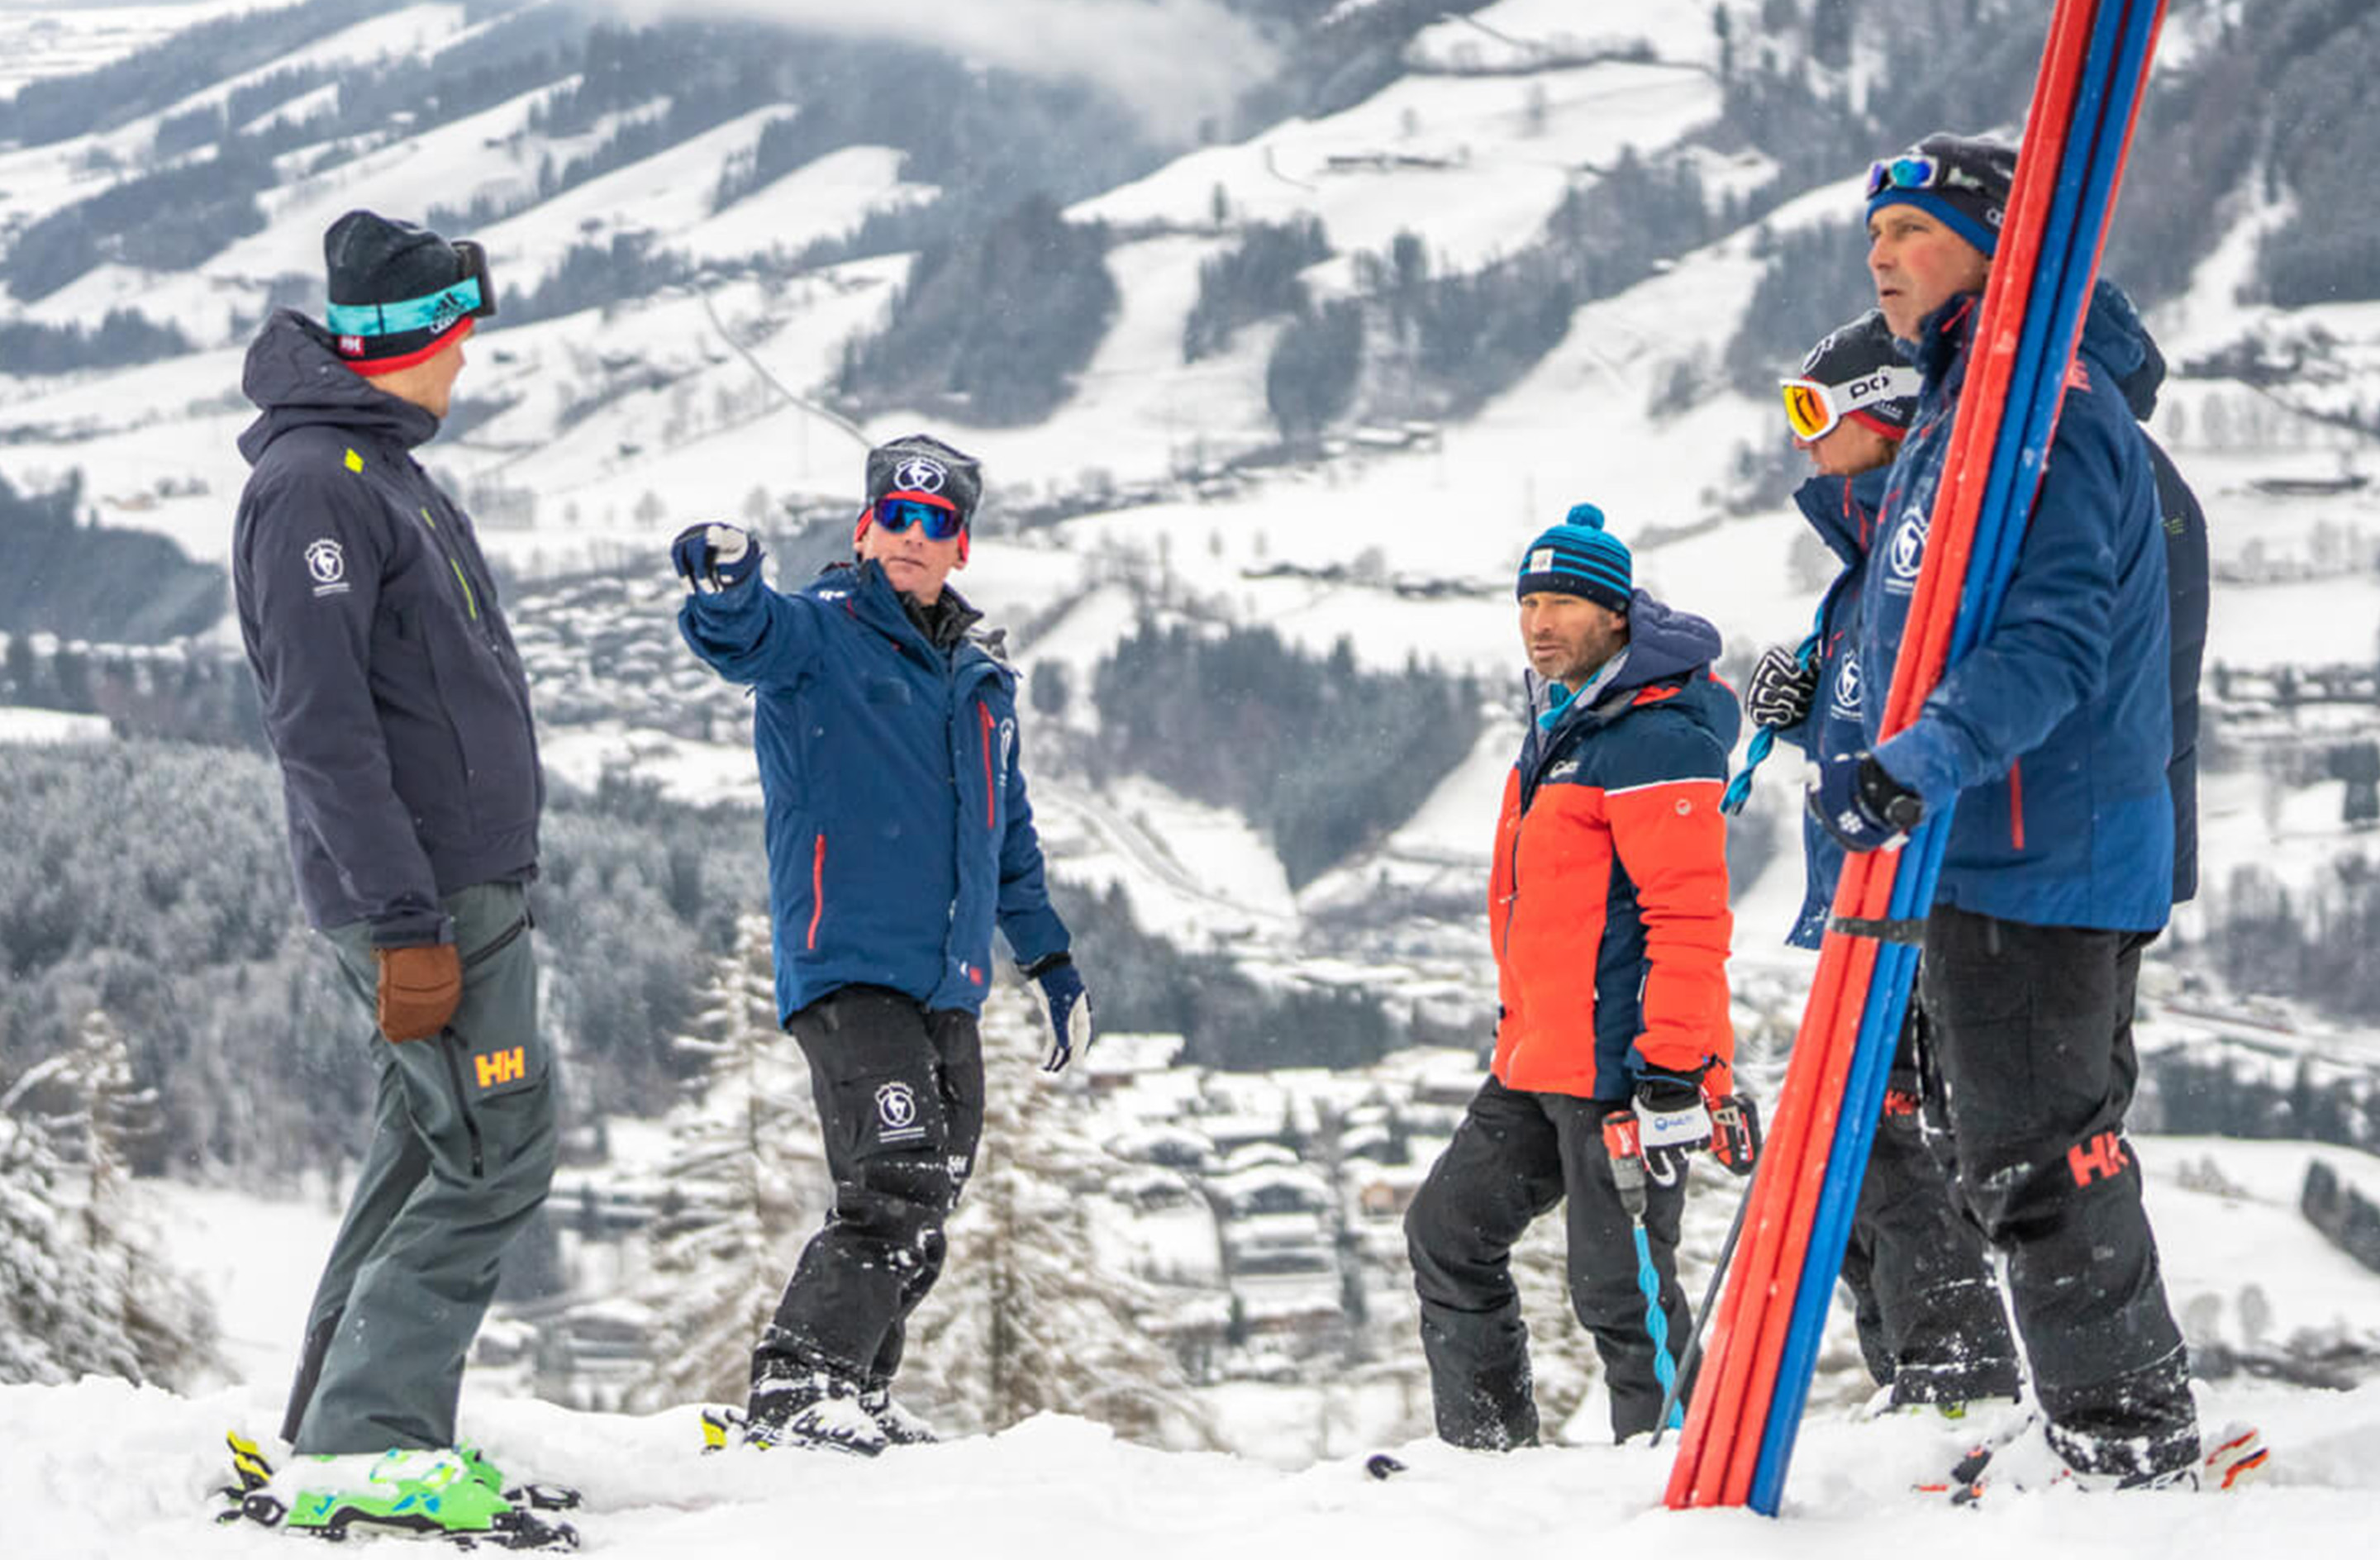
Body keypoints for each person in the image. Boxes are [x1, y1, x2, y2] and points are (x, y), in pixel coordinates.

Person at [1813, 132, 2216, 1486]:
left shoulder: (2041, 408)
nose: (1882, 257)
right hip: (2012, 844)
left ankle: (2128, 1446)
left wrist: (1913, 761)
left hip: (2036, 849)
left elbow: (2049, 647)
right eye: (1875, 238)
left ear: (2001, 244)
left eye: (1915, 232)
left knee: (2041, 1160)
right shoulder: (1970, 404)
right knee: (2030, 1148)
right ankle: (2114, 1422)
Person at [231, 211, 564, 1545]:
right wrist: (406, 920)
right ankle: (372, 1442)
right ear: (409, 339)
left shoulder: (380, 467)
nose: (469, 360)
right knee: (496, 1151)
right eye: (461, 333)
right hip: (423, 899)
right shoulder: (320, 484)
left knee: (428, 1142)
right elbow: (322, 726)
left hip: (459, 886)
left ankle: (338, 1417)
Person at [674, 433, 1092, 1457]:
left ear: (961, 547)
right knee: (894, 1179)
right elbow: (743, 637)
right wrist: (727, 585)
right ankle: (800, 1386)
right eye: (894, 517)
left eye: (934, 521)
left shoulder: (981, 678)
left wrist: (1049, 960)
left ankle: (852, 1392)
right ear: (865, 530)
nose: (911, 534)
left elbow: (1009, 838)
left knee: (932, 1188)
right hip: (847, 964)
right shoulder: (822, 632)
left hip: (945, 982)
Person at [1404, 507, 1740, 1448]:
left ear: (1615, 615)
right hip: (1540, 1054)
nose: (1540, 622)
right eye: (1530, 602)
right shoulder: (1564, 724)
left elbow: (1689, 915)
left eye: (1563, 602)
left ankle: (1682, 1484)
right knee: (1447, 1231)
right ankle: (1491, 1458)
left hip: (1628, 1069)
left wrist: (1671, 1064)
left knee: (1621, 1293)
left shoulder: (1658, 735)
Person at [1738, 312, 2021, 1412]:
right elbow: (1878, 722)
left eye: (1814, 412)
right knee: (1845, 1163)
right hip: (1864, 896)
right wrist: (1810, 720)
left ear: (1887, 411)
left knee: (1886, 1144)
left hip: (1915, 901)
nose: (1802, 440)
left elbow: (1942, 719)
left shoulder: (1920, 552)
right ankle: (1913, 1369)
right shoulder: (1866, 568)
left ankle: (1958, 1377)